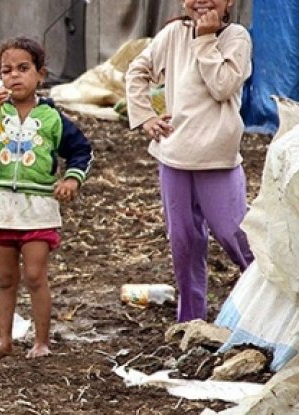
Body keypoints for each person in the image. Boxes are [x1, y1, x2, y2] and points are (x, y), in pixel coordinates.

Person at [0, 36, 93, 362]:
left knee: (34, 276)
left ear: (40, 74)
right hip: (1, 207)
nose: (14, 76)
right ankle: (3, 341)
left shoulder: (52, 118)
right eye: (6, 70)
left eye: (23, 68)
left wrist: (72, 180)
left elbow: (81, 151)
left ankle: (41, 341)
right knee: (6, 279)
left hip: (39, 209)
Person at [125, 0, 254, 323]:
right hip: (174, 155)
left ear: (230, 2)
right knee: (184, 241)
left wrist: (205, 38)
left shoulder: (236, 37)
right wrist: (145, 118)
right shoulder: (172, 33)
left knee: (234, 234)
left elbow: (223, 86)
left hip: (217, 157)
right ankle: (191, 319)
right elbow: (137, 72)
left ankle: (270, 304)